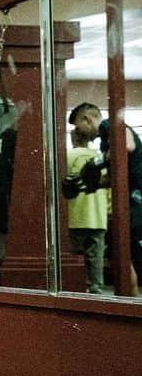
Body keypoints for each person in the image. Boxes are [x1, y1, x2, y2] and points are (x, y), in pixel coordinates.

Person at [67, 102, 142, 284]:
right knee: (123, 259)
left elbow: (127, 145)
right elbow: (113, 177)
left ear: (87, 119)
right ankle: (127, 304)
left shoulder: (110, 125)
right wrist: (83, 184)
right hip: (130, 201)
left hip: (137, 200)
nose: (80, 133)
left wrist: (96, 163)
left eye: (79, 127)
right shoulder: (103, 143)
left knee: (124, 258)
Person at [64, 122, 109, 294]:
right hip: (97, 216)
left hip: (75, 214)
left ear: (73, 138)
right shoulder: (98, 156)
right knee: (96, 258)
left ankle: (77, 289)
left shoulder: (67, 156)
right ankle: (96, 288)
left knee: (75, 257)